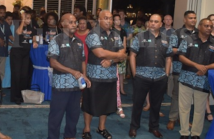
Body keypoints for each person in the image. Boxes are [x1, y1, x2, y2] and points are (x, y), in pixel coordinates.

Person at [82, 10, 127, 139]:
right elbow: (100, 53)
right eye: (106, 18)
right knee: (89, 104)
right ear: (99, 20)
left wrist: (112, 60)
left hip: (111, 76)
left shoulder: (116, 34)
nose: (109, 20)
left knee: (106, 104)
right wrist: (118, 55)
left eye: (110, 18)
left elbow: (123, 53)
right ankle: (86, 129)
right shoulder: (93, 34)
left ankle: (101, 128)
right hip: (94, 76)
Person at [47, 13, 91, 139]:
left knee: (74, 115)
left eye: (75, 22)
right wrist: (72, 72)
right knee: (56, 116)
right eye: (71, 22)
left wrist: (84, 76)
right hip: (61, 86)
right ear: (62, 24)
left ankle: (70, 136)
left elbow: (83, 60)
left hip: (76, 86)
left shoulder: (79, 42)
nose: (74, 24)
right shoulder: (56, 40)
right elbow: (53, 62)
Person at [128, 14, 172, 138]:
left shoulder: (166, 39)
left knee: (156, 104)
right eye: (151, 21)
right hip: (141, 76)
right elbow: (132, 55)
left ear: (160, 24)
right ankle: (134, 127)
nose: (153, 23)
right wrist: (135, 74)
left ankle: (154, 127)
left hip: (160, 77)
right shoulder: (140, 37)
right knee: (138, 103)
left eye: (156, 21)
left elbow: (169, 58)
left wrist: (166, 74)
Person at [178, 18, 214, 139]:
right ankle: (184, 133)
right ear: (200, 26)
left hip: (203, 80)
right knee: (184, 108)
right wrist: (196, 65)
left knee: (200, 109)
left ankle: (196, 134)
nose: (209, 28)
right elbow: (181, 56)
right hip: (186, 78)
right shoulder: (188, 39)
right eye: (206, 26)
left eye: (211, 26)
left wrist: (205, 67)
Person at [167, 11, 198, 130]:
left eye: (195, 18)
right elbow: (172, 49)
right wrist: (185, 50)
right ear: (185, 20)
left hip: (193, 69)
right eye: (190, 18)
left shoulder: (198, 33)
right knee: (177, 94)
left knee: (188, 96)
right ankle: (172, 118)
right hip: (179, 67)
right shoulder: (178, 33)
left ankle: (183, 119)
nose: (193, 20)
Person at [10, 6, 38, 104]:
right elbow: (18, 32)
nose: (28, 20)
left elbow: (34, 37)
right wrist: (22, 21)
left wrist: (35, 42)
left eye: (29, 18)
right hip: (17, 53)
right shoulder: (18, 23)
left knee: (24, 75)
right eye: (26, 18)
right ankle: (15, 97)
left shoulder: (32, 26)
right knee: (16, 75)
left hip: (26, 53)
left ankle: (22, 96)